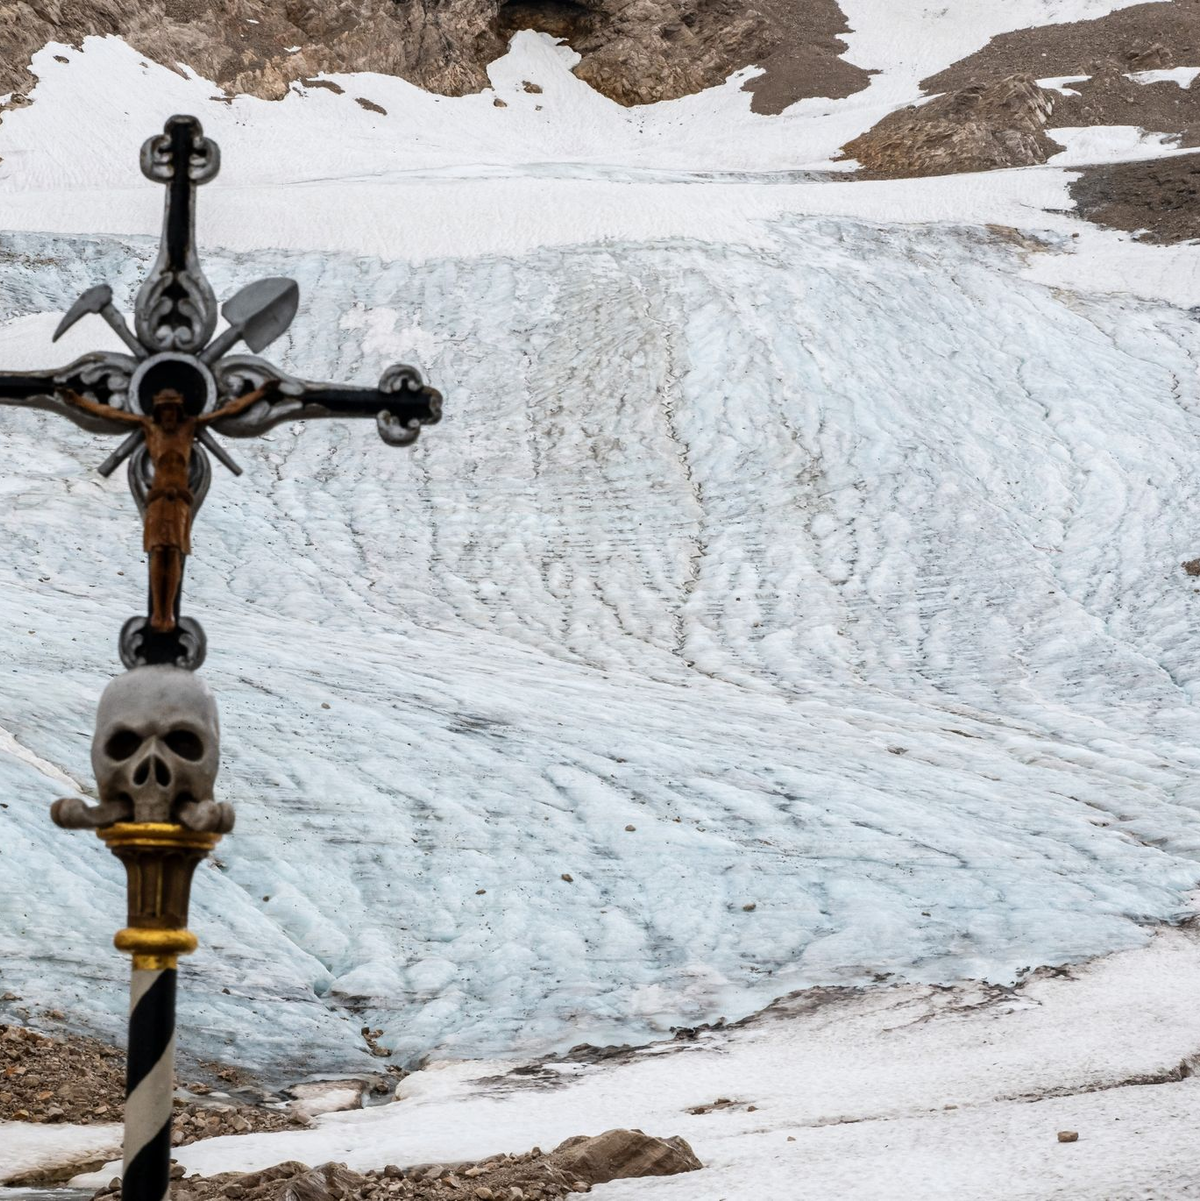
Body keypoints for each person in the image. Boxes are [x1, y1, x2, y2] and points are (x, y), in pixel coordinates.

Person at [64, 381, 276, 631]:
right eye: (165, 410)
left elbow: (228, 411)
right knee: (158, 551)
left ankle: (167, 614)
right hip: (158, 497)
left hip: (179, 499)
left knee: (173, 552)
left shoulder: (189, 427)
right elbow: (112, 413)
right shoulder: (150, 428)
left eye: (173, 410)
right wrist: (78, 401)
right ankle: (159, 613)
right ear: (158, 411)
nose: (169, 415)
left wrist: (260, 393)